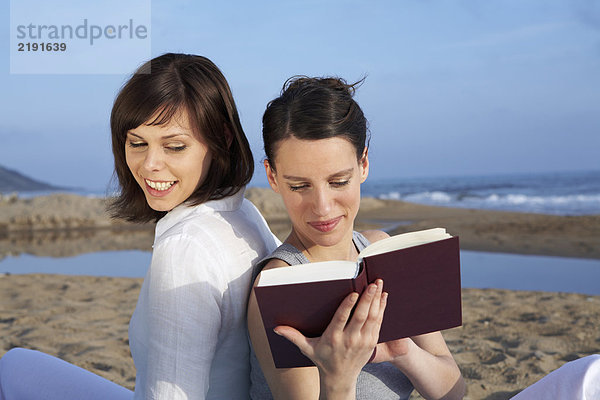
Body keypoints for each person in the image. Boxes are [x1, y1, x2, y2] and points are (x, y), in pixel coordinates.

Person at [0, 53, 279, 399]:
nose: (150, 165)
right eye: (137, 143)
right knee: (17, 365)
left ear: (222, 138)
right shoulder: (246, 214)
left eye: (174, 146)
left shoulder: (185, 249)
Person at [247, 76, 466, 400]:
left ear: (363, 165)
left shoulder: (380, 250)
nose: (322, 207)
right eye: (299, 185)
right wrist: (340, 375)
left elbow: (453, 391)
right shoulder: (279, 283)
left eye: (338, 182)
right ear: (272, 177)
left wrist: (403, 351)